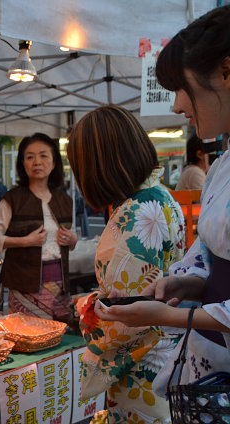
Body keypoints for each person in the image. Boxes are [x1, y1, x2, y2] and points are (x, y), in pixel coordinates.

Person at [93, 4, 230, 405]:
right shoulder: (220, 167)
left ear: (226, 72)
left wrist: (170, 315)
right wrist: (191, 283)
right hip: (210, 370)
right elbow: (213, 255)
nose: (176, 106)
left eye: (182, 87)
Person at [67, 105, 186, 424]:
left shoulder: (131, 220)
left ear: (95, 167)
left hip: (143, 370)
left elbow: (125, 318)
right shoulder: (163, 197)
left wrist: (88, 309)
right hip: (170, 354)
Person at [0, 133, 77, 324]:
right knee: (32, 337)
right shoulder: (12, 199)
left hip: (60, 285)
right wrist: (25, 241)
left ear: (54, 162)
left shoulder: (65, 200)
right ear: (22, 163)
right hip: (25, 286)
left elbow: (71, 239)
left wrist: (72, 240)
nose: (37, 162)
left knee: (59, 337)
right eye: (30, 157)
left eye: (43, 156)